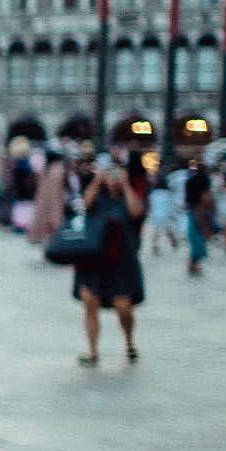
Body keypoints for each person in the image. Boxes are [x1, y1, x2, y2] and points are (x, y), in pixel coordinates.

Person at [70, 156, 144, 366]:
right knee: (90, 304)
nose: (113, 179)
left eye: (116, 175)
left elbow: (136, 211)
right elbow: (84, 203)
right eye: (110, 176)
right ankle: (92, 351)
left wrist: (126, 184)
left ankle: (129, 343)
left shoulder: (127, 199)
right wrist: (97, 180)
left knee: (124, 307)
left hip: (121, 262)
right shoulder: (97, 200)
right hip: (93, 261)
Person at [183, 159, 218, 276]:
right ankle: (194, 263)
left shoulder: (189, 181)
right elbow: (208, 196)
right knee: (202, 236)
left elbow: (187, 198)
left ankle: (193, 263)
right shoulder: (205, 181)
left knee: (195, 236)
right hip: (203, 210)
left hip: (193, 209)